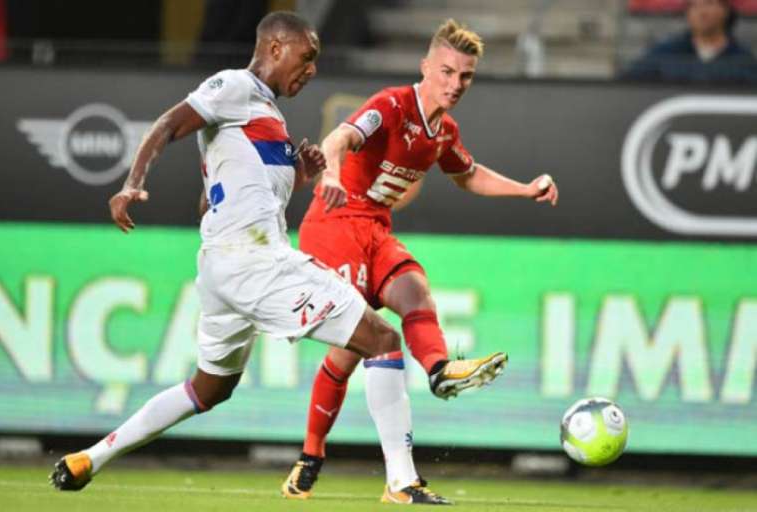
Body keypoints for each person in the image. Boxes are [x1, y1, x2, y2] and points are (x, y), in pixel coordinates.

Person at [49, 11, 405, 492]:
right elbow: (168, 124)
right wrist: (132, 184)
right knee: (381, 339)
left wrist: (298, 173)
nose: (312, 69)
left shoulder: (267, 119)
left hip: (223, 265)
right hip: (255, 261)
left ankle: (90, 458)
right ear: (276, 48)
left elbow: (214, 202)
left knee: (209, 388)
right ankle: (403, 482)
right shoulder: (234, 86)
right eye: (307, 57)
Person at [282, 18, 558, 505]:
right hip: (335, 224)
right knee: (371, 347)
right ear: (426, 66)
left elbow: (468, 175)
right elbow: (341, 139)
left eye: (465, 76)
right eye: (447, 71)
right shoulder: (391, 105)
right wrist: (330, 173)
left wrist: (525, 189)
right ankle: (374, 472)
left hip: (375, 229)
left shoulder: (443, 131)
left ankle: (435, 372)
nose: (455, 84)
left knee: (411, 291)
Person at [622, 0, 757, 84]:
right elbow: (627, 82)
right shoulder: (666, 54)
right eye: (694, 5)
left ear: (726, 10)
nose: (702, 12)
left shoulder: (742, 59)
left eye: (709, 3)